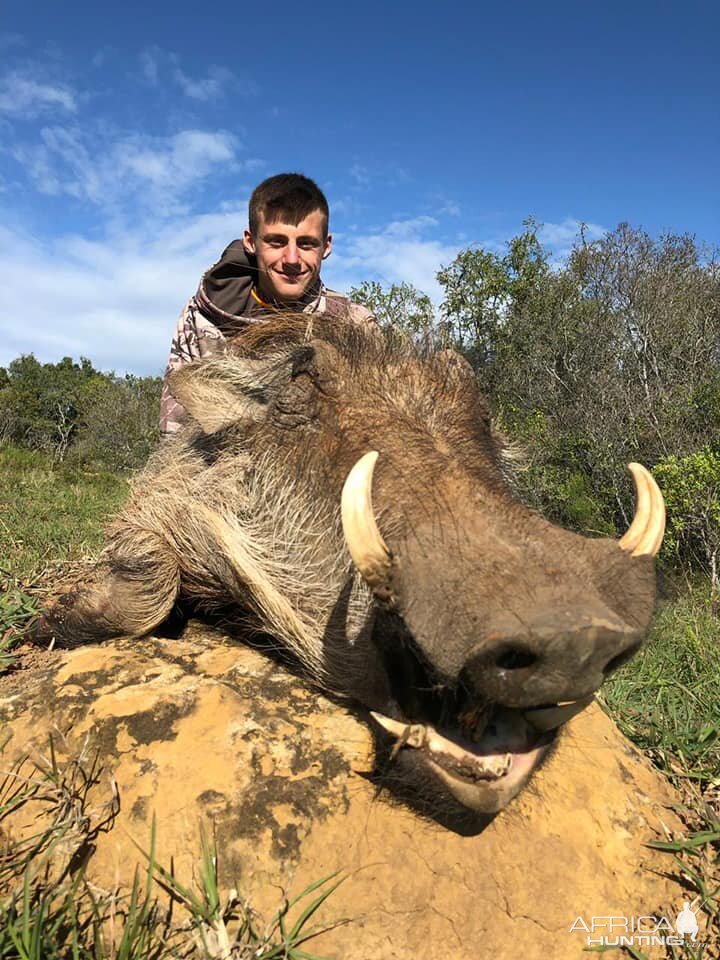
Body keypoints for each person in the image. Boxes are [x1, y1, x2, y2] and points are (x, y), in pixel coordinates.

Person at [160, 172, 377, 435]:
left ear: (326, 246)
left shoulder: (355, 322)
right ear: (250, 242)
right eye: (277, 242)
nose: (292, 259)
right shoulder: (199, 318)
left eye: (307, 244)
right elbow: (176, 435)